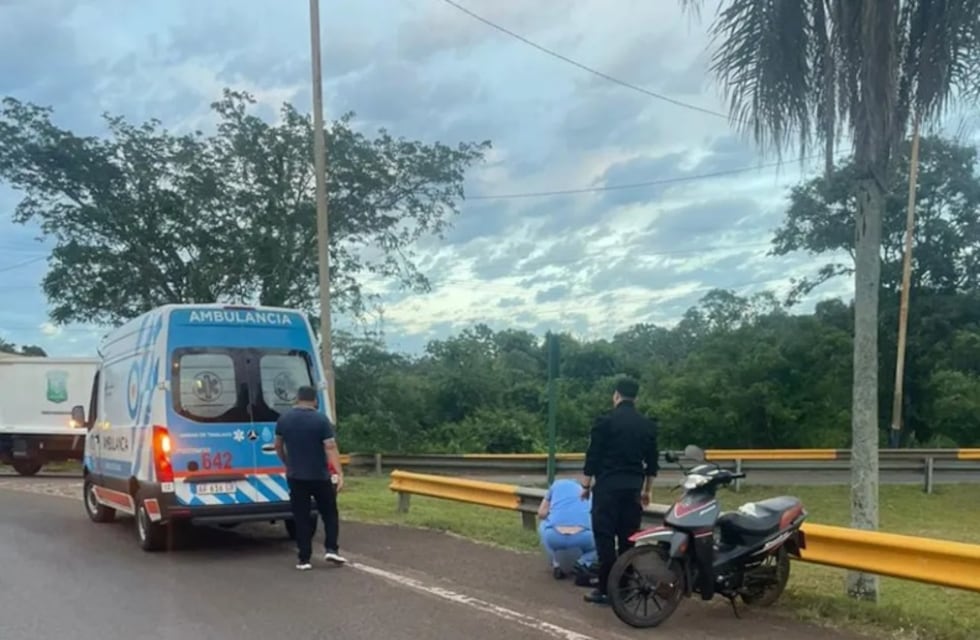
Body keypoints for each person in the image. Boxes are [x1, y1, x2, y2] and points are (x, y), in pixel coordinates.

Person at [579, 377, 659, 605]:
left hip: (607, 487)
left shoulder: (605, 422)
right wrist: (647, 490)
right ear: (636, 398)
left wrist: (585, 485)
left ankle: (605, 589)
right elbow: (652, 462)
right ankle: (625, 587)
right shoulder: (647, 425)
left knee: (604, 537)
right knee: (628, 539)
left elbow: (593, 456)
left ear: (616, 395)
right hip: (633, 488)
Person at [274, 385, 347, 571]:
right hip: (320, 476)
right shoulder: (321, 420)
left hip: (296, 476)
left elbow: (278, 445)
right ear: (315, 400)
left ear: (297, 398)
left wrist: (287, 462)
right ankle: (331, 549)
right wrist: (339, 473)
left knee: (301, 517)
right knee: (329, 513)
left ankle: (304, 559)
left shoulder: (284, 419)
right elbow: (330, 447)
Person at [537, 478, 598, 580]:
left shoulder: (555, 486)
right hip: (583, 536)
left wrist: (553, 515)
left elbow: (541, 513)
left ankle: (556, 564)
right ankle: (582, 563)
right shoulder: (588, 494)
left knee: (543, 526)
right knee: (597, 545)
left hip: (554, 535)